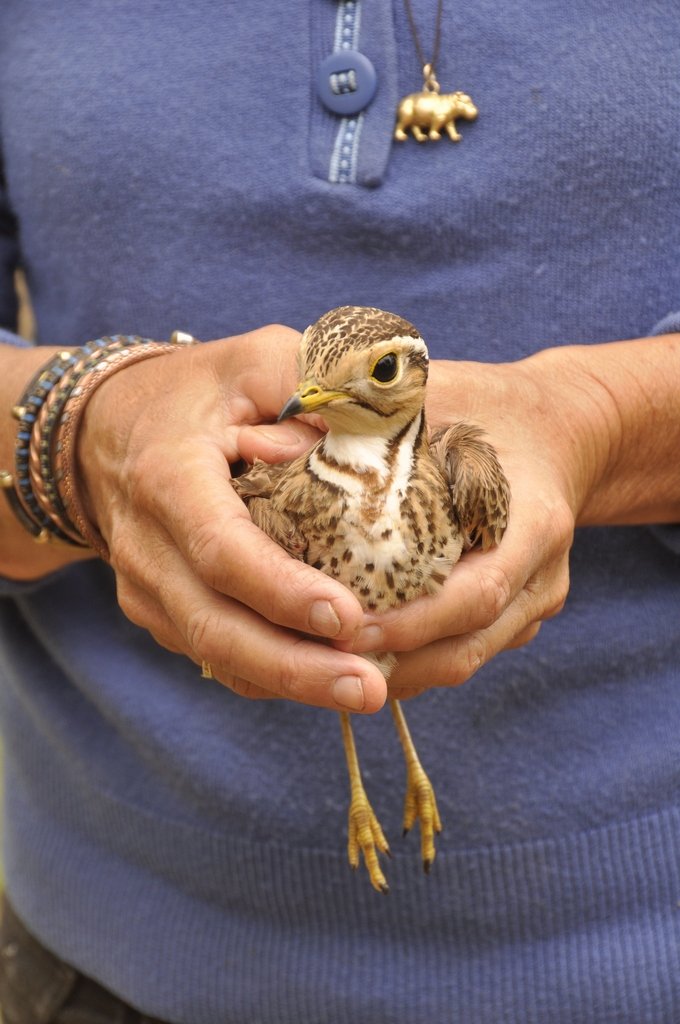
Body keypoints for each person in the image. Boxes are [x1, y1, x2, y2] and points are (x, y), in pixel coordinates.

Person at [0, 3, 679, 1022]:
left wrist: (602, 424)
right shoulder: (290, 487)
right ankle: (367, 795)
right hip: (99, 948)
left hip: (644, 954)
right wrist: (79, 434)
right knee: (355, 663)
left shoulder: (455, 476)